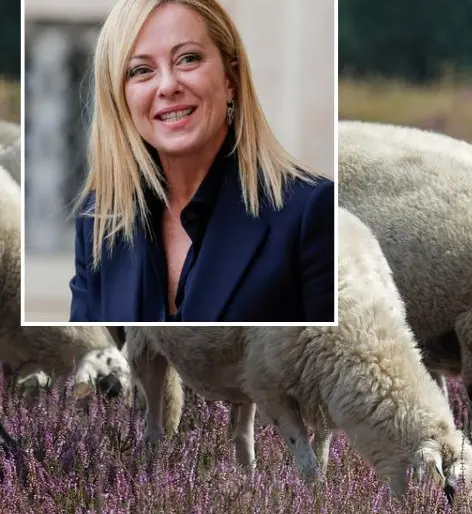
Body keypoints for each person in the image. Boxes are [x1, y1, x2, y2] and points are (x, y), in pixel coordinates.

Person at [68, 0, 334, 323]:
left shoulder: (312, 213)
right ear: (119, 97)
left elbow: (329, 368)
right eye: (141, 70)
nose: (167, 86)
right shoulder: (97, 222)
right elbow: (86, 362)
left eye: (188, 59)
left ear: (230, 80)